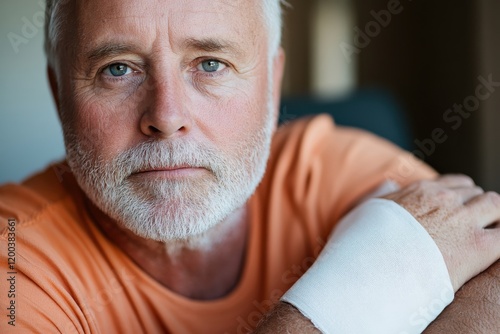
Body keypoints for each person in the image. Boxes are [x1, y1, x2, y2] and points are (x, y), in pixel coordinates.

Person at [0, 0, 499, 333]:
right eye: (118, 69)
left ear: (272, 84)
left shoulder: (325, 165)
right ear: (59, 94)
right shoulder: (15, 253)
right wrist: (340, 305)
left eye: (210, 64)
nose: (167, 117)